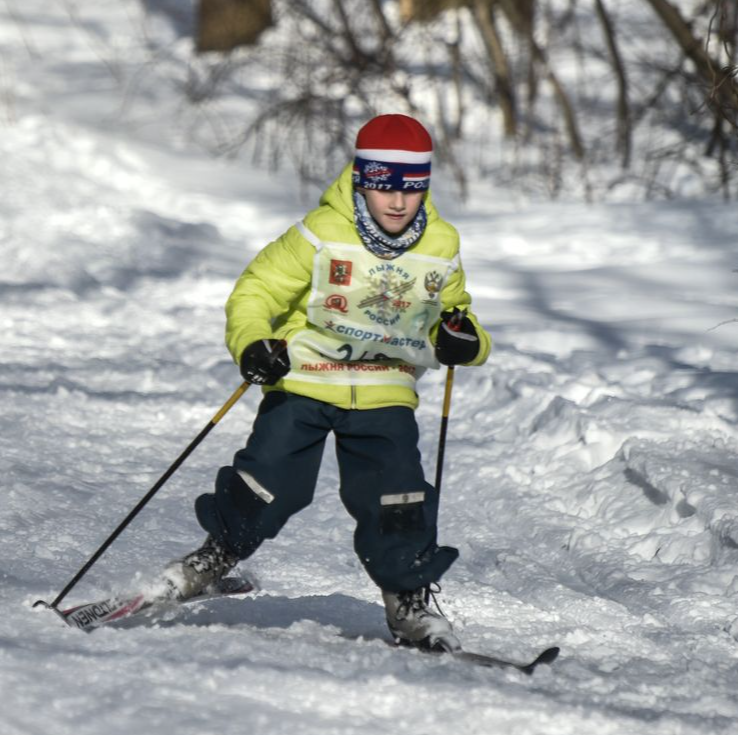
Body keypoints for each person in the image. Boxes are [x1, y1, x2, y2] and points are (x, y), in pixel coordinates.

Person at [160, 114, 490, 651]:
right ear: (362, 178)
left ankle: (407, 601)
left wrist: (463, 339)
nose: (398, 201)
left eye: (412, 188)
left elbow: (454, 315)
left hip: (386, 387)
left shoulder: (442, 244)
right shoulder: (319, 234)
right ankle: (215, 556)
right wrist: (252, 343)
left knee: (397, 497)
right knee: (269, 481)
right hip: (306, 379)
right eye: (384, 184)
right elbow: (255, 291)